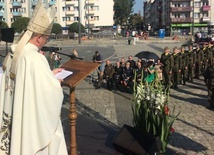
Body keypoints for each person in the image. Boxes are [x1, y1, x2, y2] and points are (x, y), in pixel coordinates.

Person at [0, 1, 68, 155]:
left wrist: (50, 75)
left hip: (14, 113)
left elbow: (26, 82)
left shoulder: (14, 53)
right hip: (29, 124)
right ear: (38, 38)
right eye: (46, 39)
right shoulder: (35, 58)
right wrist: (56, 84)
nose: (45, 42)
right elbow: (46, 94)